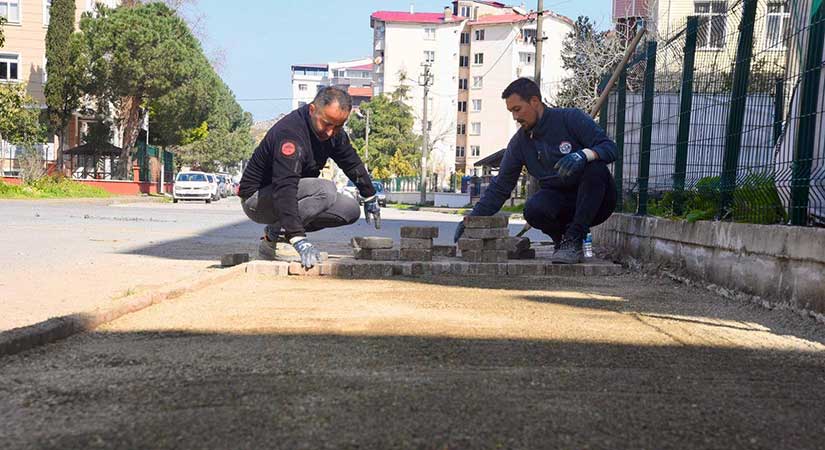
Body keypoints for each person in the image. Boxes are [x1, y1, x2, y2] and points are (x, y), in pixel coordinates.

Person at [454, 78, 617, 264]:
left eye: (517, 109)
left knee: (595, 168)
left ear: (534, 101)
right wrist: (472, 218)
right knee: (533, 209)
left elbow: (610, 148)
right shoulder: (520, 143)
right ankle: (562, 241)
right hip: (558, 201)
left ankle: (574, 238)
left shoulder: (570, 118)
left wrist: (584, 155)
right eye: (511, 111)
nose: (515, 117)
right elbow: (500, 187)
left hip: (596, 201)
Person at [238, 87, 381, 269]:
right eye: (326, 124)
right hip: (258, 200)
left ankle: (279, 230)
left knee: (350, 210)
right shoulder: (290, 134)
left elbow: (351, 162)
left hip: (292, 194)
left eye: (338, 126)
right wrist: (298, 237)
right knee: (325, 190)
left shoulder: (333, 133)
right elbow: (285, 187)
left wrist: (369, 195)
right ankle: (278, 239)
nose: (331, 132)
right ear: (312, 110)